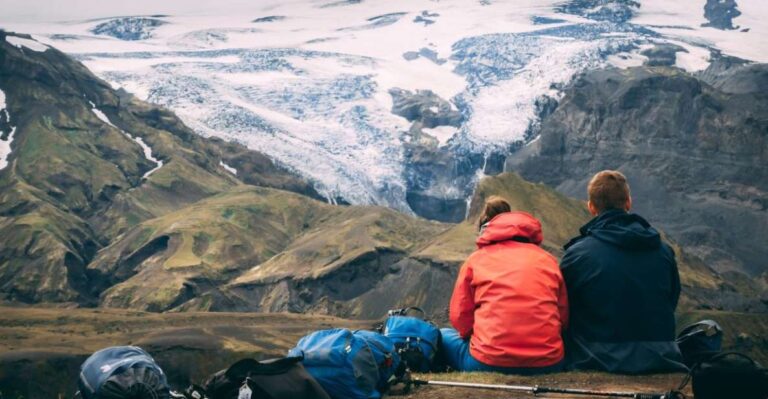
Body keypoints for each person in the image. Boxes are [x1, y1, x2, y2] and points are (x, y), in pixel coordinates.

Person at [560, 170, 687, 373]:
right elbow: (672, 299)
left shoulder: (577, 255)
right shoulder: (664, 251)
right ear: (628, 202)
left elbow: (564, 309)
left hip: (595, 357)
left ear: (591, 207)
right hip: (660, 355)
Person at [440, 196, 569, 374]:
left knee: (442, 335)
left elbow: (461, 319)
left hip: (488, 362)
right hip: (548, 363)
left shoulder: (476, 260)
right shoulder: (549, 260)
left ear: (484, 230)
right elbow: (563, 318)